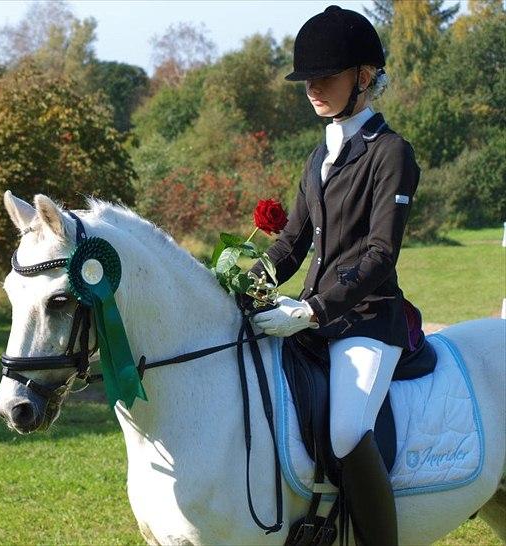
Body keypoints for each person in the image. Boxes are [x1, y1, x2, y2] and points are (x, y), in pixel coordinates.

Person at [249, 5, 420, 545]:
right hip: (313, 321)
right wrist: (242, 278)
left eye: (326, 77)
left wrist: (313, 308)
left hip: (368, 320)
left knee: (346, 432)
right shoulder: (318, 155)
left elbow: (380, 253)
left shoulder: (391, 153)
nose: (314, 89)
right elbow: (292, 242)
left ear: (364, 78)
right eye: (308, 80)